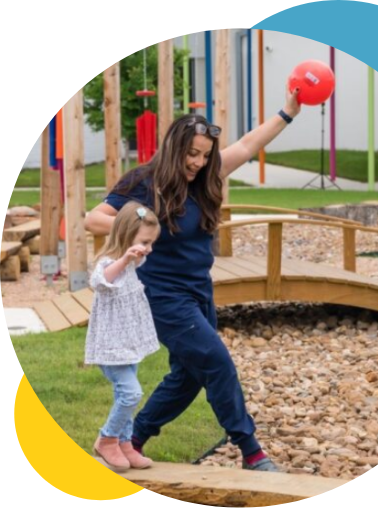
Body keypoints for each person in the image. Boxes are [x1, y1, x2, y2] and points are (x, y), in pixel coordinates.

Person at [84, 87, 301, 472]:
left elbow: (249, 144)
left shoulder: (207, 176)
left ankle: (131, 438)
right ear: (175, 148)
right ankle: (251, 451)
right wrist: (143, 228)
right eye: (192, 154)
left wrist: (288, 112)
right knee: (217, 362)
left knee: (187, 376)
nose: (199, 162)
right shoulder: (144, 182)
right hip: (162, 294)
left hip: (199, 289)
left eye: (205, 155)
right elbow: (93, 219)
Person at [85, 201, 161, 472]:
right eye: (145, 242)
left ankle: (126, 444)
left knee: (125, 394)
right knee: (131, 393)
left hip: (128, 345)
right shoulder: (109, 263)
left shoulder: (131, 265)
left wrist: (133, 257)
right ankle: (107, 439)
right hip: (111, 347)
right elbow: (100, 281)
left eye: (151, 243)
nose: (149, 249)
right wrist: (126, 258)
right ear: (127, 237)